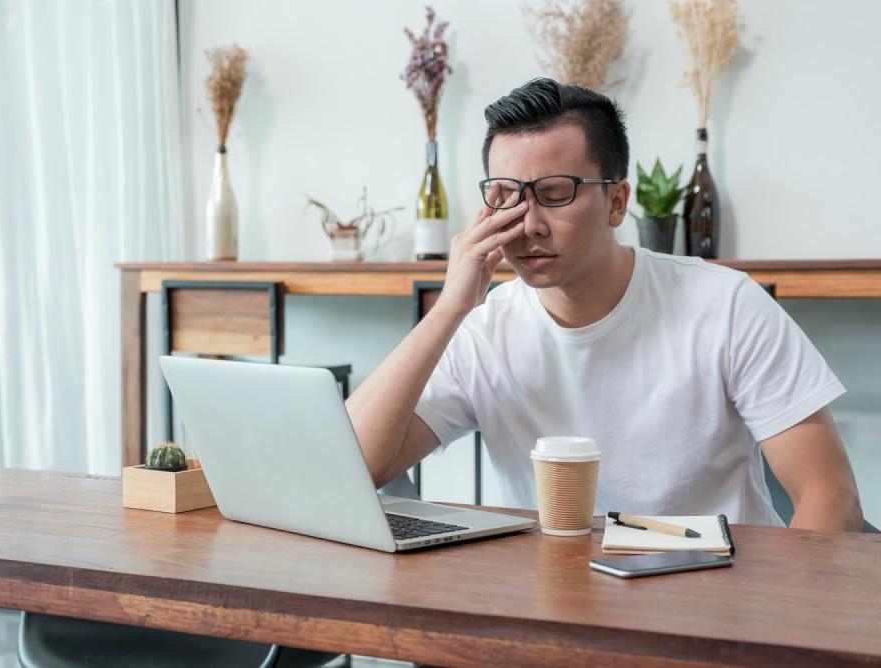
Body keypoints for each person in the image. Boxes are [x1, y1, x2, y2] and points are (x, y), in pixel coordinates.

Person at [346, 78, 863, 530]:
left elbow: (830, 500)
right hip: (557, 611)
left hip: (717, 609)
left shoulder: (725, 306)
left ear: (617, 202)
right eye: (506, 195)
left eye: (555, 192)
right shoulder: (485, 329)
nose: (527, 223)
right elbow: (354, 467)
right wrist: (449, 309)